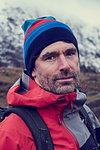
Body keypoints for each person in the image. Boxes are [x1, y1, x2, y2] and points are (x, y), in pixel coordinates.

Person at [0, 16, 100, 150]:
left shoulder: (85, 113)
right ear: (33, 70)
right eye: (50, 57)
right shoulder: (13, 131)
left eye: (70, 53)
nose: (65, 65)